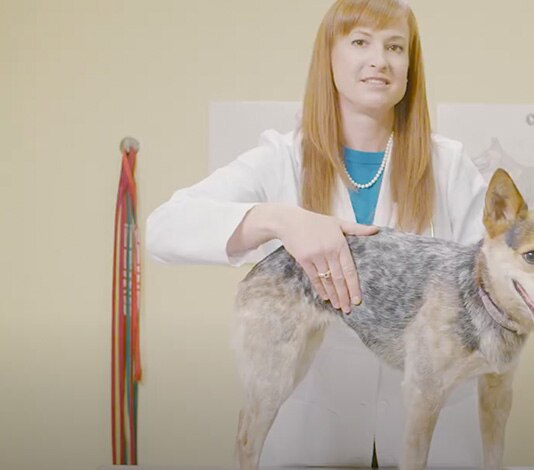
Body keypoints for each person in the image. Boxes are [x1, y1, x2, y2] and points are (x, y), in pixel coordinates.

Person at [146, 0, 487, 466]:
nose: (379, 60)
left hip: (435, 434)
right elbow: (164, 228)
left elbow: (493, 280)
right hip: (313, 434)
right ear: (329, 55)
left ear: (410, 66)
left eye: (395, 47)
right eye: (360, 42)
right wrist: (282, 220)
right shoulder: (282, 158)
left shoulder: (450, 166)